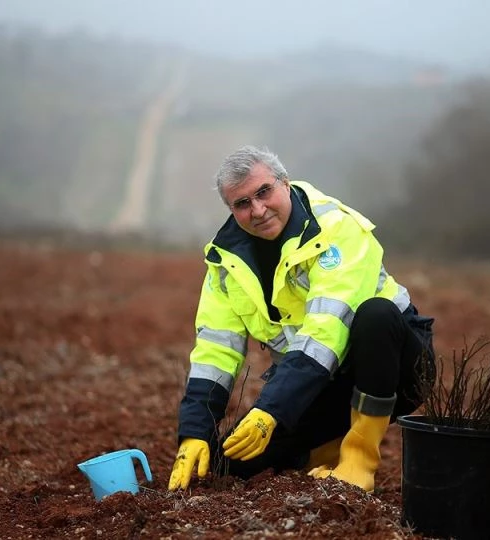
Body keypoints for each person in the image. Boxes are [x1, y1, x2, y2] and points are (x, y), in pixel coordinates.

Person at [168, 145, 435, 493]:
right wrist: (195, 432)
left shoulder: (336, 228)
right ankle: (323, 450)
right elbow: (216, 348)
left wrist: (271, 409)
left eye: (263, 192)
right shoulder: (225, 262)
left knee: (376, 315)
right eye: (242, 204)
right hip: (323, 381)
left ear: (285, 182)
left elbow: (326, 331)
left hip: (398, 366)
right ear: (231, 210)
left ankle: (358, 459)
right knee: (230, 464)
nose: (258, 210)